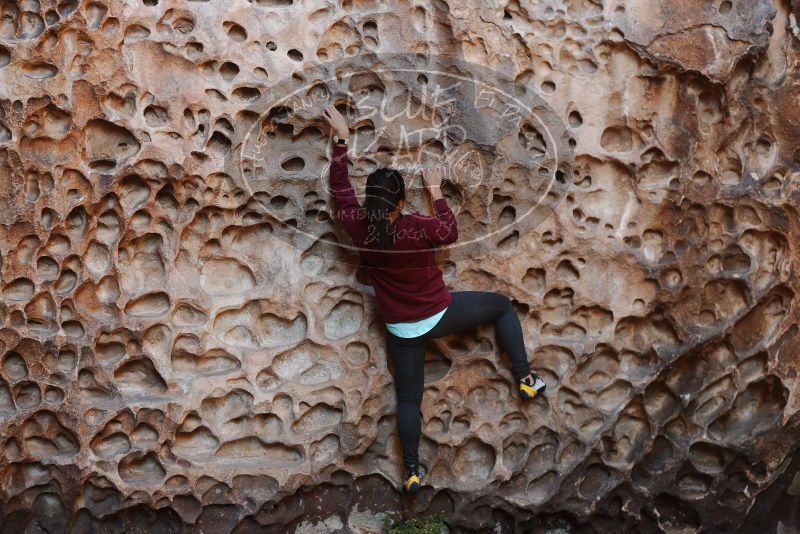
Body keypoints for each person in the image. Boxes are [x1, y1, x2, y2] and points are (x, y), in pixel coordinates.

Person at [321, 104, 547, 494]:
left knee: (408, 400)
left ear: (371, 202)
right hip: (439, 314)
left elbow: (341, 191)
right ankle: (525, 378)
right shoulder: (413, 227)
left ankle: (411, 472)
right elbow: (449, 231)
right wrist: (435, 191)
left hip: (400, 329)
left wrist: (341, 139)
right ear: (397, 204)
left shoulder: (359, 229)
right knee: (503, 306)